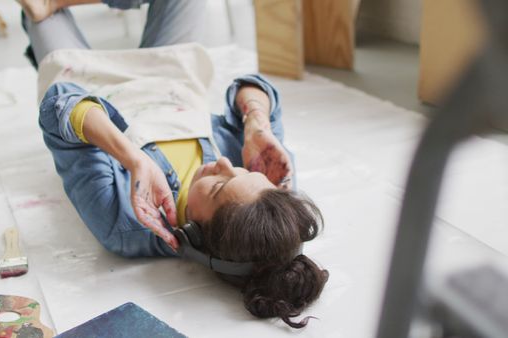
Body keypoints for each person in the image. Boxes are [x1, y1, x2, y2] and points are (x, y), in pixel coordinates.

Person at [20, 0, 329, 328]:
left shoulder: (122, 223)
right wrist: (257, 121)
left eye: (217, 186)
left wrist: (132, 157)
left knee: (36, 10)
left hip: (89, 80)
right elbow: (252, 86)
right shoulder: (267, 191)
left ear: (196, 234)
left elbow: (60, 103)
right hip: (168, 73)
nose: (225, 162)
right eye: (244, 171)